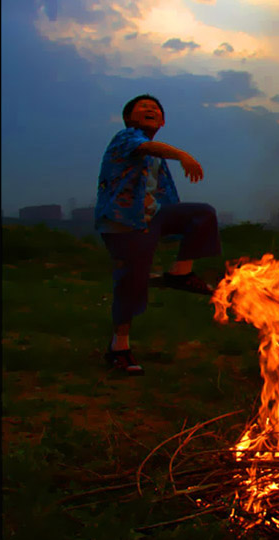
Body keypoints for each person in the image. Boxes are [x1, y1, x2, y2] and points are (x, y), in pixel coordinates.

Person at [94, 94, 222, 375]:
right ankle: (119, 349)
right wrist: (182, 155)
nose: (150, 109)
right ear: (129, 118)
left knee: (203, 214)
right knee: (132, 284)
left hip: (151, 219)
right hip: (124, 224)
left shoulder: (154, 155)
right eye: (143, 108)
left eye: (156, 109)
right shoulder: (126, 138)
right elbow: (148, 148)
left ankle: (180, 273)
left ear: (162, 121)